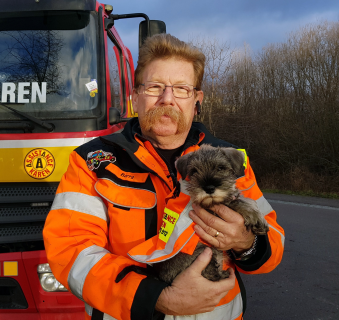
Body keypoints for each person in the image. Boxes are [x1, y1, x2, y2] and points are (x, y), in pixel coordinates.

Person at [43, 34, 285, 320]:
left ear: (197, 99)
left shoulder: (231, 158)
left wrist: (247, 242)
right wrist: (157, 299)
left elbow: (273, 245)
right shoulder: (92, 162)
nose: (167, 98)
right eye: (155, 86)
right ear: (134, 96)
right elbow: (71, 253)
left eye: (182, 88)